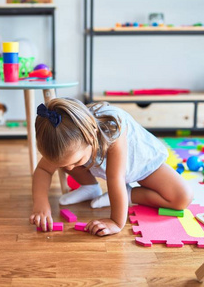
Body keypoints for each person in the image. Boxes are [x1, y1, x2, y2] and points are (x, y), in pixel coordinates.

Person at [29, 98, 193, 236]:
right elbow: (43, 170)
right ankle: (90, 188)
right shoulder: (65, 138)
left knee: (182, 198)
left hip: (139, 163)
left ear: (91, 137)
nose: (70, 170)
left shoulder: (113, 128)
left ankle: (129, 195)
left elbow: (116, 178)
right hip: (105, 166)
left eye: (76, 162)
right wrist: (40, 204)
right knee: (67, 160)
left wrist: (115, 221)